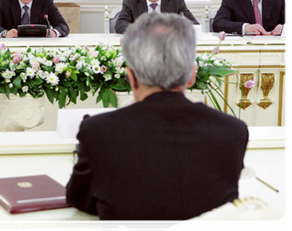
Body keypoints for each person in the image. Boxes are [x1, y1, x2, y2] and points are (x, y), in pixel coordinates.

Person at [66, 12, 249, 231]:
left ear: (131, 77)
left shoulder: (98, 131)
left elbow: (79, 199)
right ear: (192, 76)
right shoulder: (233, 130)